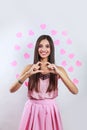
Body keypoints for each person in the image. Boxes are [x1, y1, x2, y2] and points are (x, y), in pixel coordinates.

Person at [10, 35, 78, 130]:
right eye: (40, 46)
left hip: (50, 111)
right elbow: (12, 90)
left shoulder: (58, 69)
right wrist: (27, 74)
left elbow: (75, 91)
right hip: (32, 110)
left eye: (47, 46)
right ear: (37, 48)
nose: (43, 49)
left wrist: (59, 73)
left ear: (51, 49)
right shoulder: (29, 68)